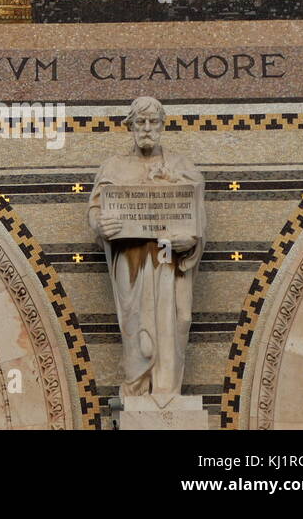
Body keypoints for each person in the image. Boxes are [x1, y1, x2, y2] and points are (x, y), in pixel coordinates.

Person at [88, 96, 206, 397]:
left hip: (169, 258)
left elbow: (197, 219)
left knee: (175, 321)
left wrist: (191, 242)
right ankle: (138, 387)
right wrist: (101, 226)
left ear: (162, 125)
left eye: (153, 122)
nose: (147, 128)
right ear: (130, 126)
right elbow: (96, 210)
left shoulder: (182, 166)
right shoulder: (114, 167)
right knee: (136, 325)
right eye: (140, 122)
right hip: (132, 260)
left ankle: (166, 391)